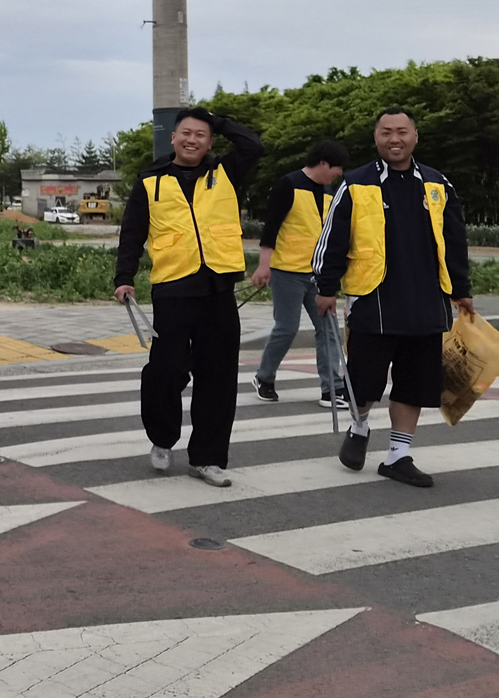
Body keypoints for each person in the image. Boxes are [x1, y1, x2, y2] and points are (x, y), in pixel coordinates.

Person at [314, 108, 473, 489]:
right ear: (376, 137)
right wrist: (325, 287)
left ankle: (398, 455)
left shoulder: (437, 184)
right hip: (374, 299)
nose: (394, 139)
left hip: (426, 300)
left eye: (402, 132)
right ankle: (360, 425)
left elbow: (455, 240)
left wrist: (462, 290)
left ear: (415, 136)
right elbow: (331, 239)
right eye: (386, 132)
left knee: (415, 384)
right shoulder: (355, 184)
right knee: (364, 382)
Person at [113, 107, 264, 486]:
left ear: (210, 140)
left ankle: (208, 458)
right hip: (173, 289)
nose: (192, 139)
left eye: (201, 134)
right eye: (186, 133)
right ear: (173, 138)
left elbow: (254, 145)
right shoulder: (150, 181)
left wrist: (219, 119)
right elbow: (132, 232)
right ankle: (162, 438)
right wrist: (124, 277)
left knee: (218, 376)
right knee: (167, 370)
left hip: (218, 289)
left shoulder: (224, 173)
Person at [251, 140, 350, 409]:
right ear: (323, 163)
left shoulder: (330, 191)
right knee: (287, 328)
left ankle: (332, 389)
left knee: (328, 329)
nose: (339, 173)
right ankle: (264, 377)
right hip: (287, 271)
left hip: (319, 275)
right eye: (337, 167)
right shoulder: (288, 184)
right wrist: (264, 265)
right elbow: (271, 227)